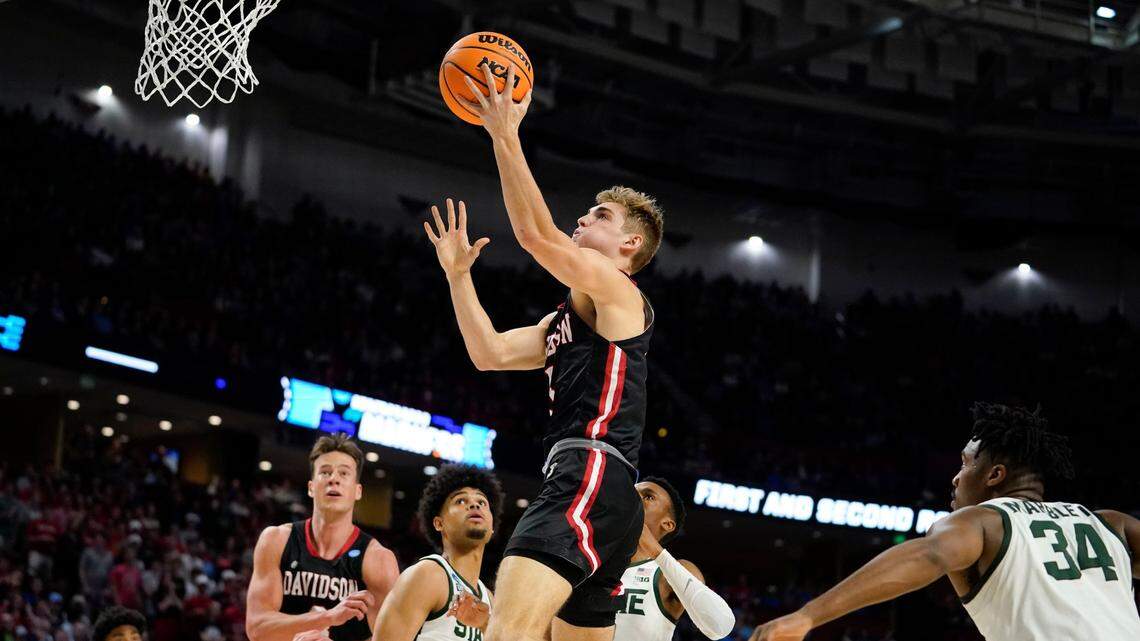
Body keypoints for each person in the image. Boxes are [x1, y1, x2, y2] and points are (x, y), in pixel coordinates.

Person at [426, 61, 664, 641]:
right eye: (585, 212)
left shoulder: (620, 293)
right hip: (606, 491)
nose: (583, 219)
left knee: (508, 633)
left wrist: (504, 133)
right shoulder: (565, 317)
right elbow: (489, 354)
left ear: (630, 244)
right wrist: (459, 277)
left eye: (599, 216)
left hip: (588, 472)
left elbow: (536, 237)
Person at [751, 402, 1140, 641]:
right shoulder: (1110, 525)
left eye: (966, 463)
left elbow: (927, 555)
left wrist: (807, 616)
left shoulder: (984, 522)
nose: (956, 477)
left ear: (994, 475)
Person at [246, 434, 400, 641]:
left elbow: (394, 638)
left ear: (357, 491)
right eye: (325, 472)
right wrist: (327, 618)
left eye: (344, 473)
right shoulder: (276, 540)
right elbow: (257, 628)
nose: (333, 479)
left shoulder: (379, 560)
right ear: (311, 487)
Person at [372, 464, 504, 641]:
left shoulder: (488, 597)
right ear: (438, 523)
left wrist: (486, 625)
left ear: (492, 528)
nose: (474, 504)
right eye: (460, 500)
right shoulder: (427, 575)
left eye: (482, 502)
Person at [615, 477, 735, 641]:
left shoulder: (667, 572)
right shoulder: (592, 562)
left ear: (667, 524)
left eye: (648, 496)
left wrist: (655, 551)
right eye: (633, 492)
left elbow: (720, 626)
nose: (634, 498)